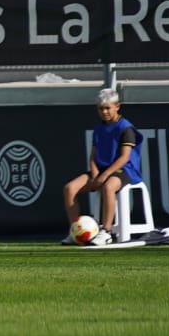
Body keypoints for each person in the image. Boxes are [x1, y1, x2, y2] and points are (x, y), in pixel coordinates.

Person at [62, 89, 142, 245]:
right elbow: (93, 155)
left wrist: (104, 176)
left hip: (124, 170)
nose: (104, 112)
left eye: (107, 108)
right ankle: (76, 231)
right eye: (101, 108)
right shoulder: (99, 128)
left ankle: (106, 231)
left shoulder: (126, 128)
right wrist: (95, 173)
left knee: (108, 187)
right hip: (102, 170)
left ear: (117, 106)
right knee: (69, 188)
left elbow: (124, 157)